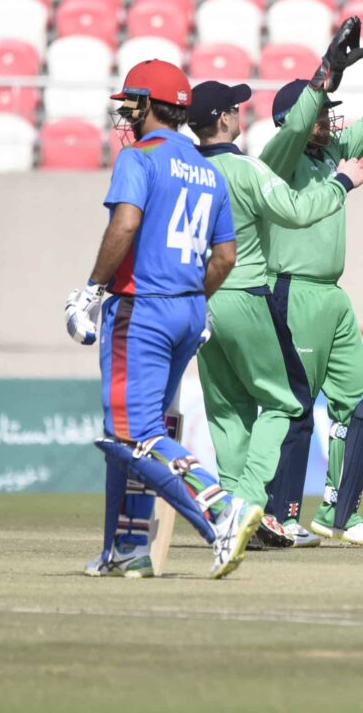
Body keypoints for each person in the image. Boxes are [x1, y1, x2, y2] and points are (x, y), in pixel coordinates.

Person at [66, 58, 263, 580]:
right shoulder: (208, 169)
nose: (127, 113)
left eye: (132, 103)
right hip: (188, 310)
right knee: (131, 434)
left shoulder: (139, 157)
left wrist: (92, 290)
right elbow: (224, 258)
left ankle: (223, 510)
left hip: (142, 309)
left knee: (132, 435)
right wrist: (194, 302)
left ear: (152, 106)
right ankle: (127, 548)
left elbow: (125, 224)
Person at [188, 31, 363, 549]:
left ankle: (229, 510)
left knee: (227, 411)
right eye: (235, 108)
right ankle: (248, 502)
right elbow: (296, 211)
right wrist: (341, 183)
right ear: (225, 119)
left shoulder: (185, 170)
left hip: (194, 303)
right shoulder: (247, 168)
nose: (240, 113)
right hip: (244, 294)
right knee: (286, 403)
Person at [261, 11, 363, 546]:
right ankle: (279, 515)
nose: (330, 121)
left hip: (331, 296)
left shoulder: (332, 150)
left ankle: (340, 514)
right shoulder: (277, 160)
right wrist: (323, 76)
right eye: (321, 114)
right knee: (296, 408)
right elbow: (296, 129)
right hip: (292, 291)